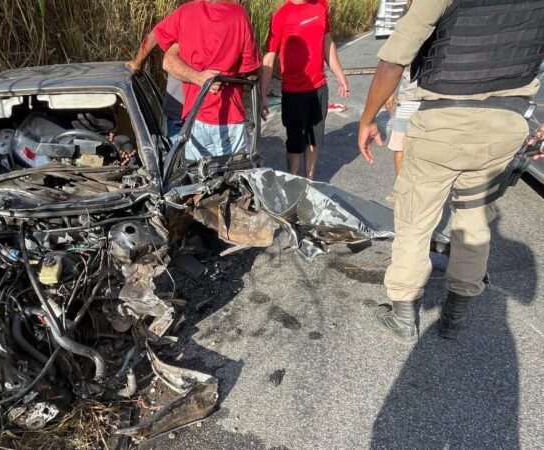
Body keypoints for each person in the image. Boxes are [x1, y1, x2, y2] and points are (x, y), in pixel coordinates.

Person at [358, 0, 544, 343]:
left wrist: (368, 119)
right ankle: (455, 317)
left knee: (415, 219)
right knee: (474, 221)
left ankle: (403, 318)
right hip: (506, 124)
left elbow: (394, 59)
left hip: (443, 122)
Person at [153, 0, 262, 161]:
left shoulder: (185, 12)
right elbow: (251, 70)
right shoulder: (239, 14)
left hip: (194, 116)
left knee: (195, 179)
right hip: (229, 116)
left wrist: (137, 63)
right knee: (234, 177)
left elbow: (159, 42)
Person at [259, 0, 349, 179]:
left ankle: (309, 181)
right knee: (295, 145)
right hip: (294, 93)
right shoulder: (281, 16)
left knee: (315, 141)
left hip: (319, 88)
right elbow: (269, 58)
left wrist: (339, 73)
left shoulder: (321, 5)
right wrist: (262, 94)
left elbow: (327, 40)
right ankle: (292, 181)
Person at [126, 19, 186, 141]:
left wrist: (138, 63)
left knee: (179, 159)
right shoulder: (233, 16)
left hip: (179, 115)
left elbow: (155, 34)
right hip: (213, 118)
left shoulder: (185, 15)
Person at [383, 67, 420, 201]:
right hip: (408, 98)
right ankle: (399, 187)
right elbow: (395, 62)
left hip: (437, 99)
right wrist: (389, 90)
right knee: (400, 146)